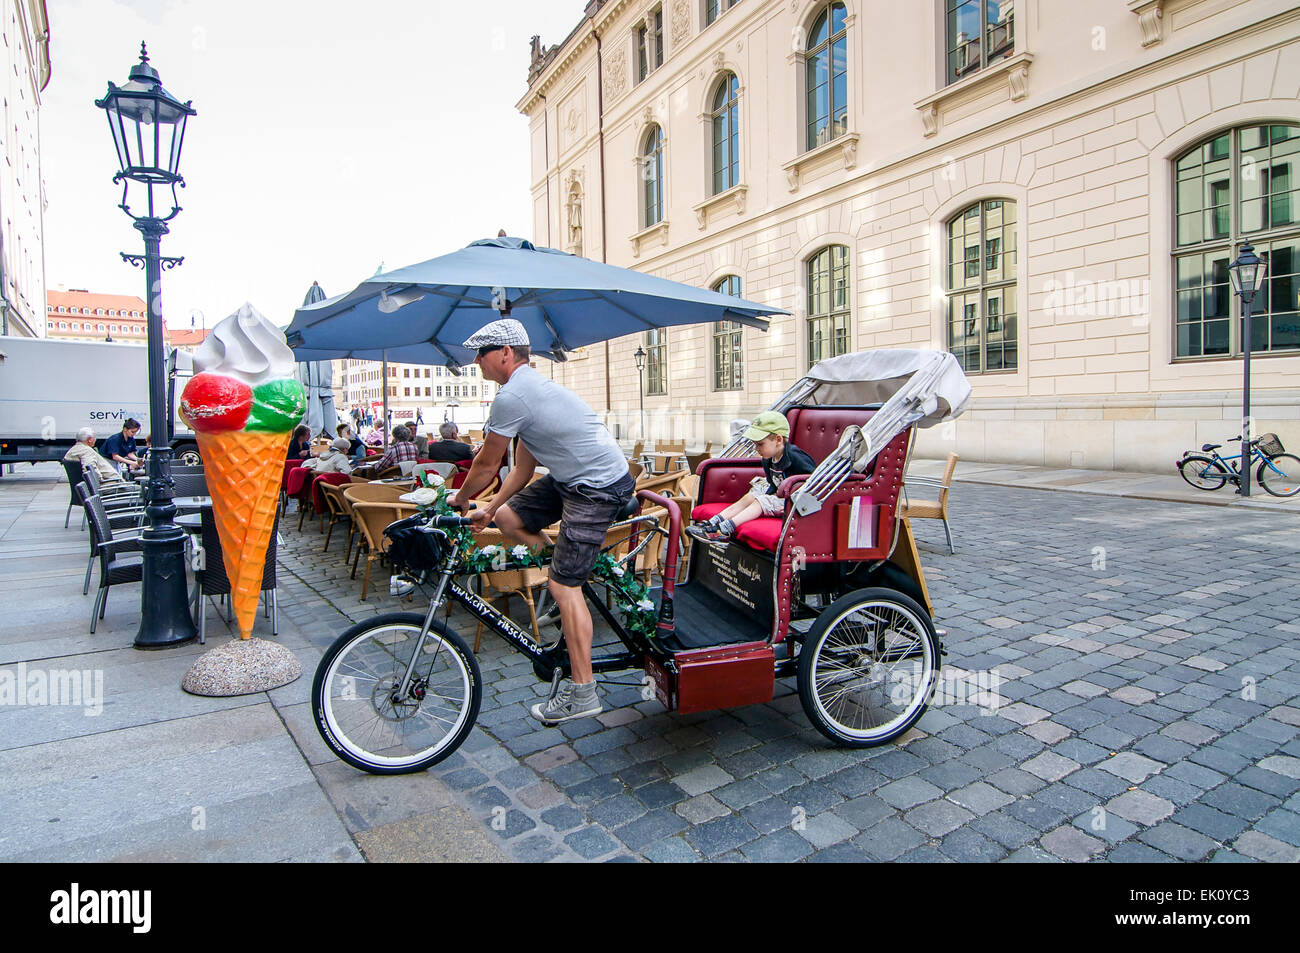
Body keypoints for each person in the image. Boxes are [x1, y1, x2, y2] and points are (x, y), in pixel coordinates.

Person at [451, 318, 635, 726]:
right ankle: (569, 570)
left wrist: (460, 499)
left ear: (504, 354)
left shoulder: (515, 394)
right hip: (572, 480)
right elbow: (520, 470)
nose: (476, 362)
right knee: (508, 517)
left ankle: (584, 692)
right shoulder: (526, 392)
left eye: (480, 354)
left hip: (599, 486)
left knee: (562, 584)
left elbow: (486, 463)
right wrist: (487, 508)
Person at [687, 411, 815, 543]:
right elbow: (772, 483)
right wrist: (760, 494)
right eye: (755, 444)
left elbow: (813, 482)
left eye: (760, 444)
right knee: (755, 492)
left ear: (778, 440)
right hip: (780, 495)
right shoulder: (768, 460)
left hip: (796, 501)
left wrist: (793, 503)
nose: (756, 449)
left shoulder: (795, 456)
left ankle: (724, 530)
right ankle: (713, 522)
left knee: (763, 500)